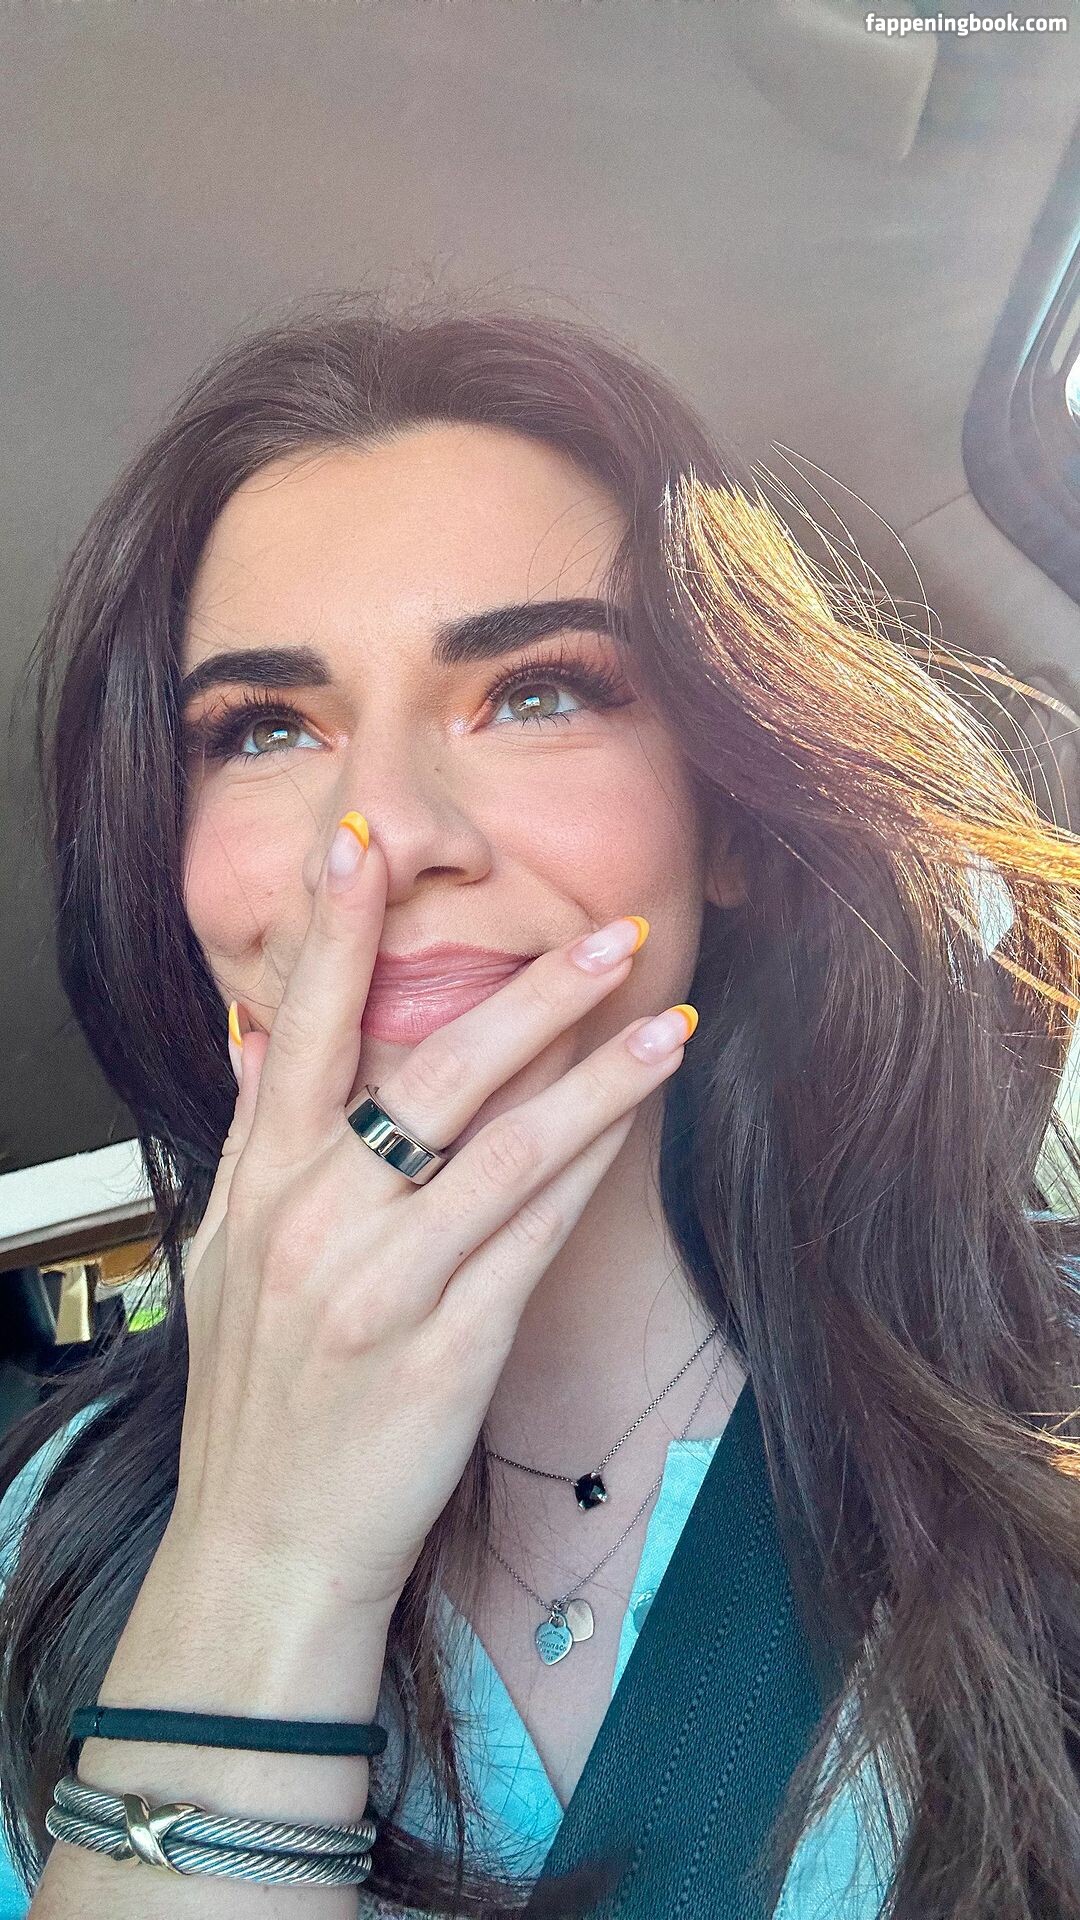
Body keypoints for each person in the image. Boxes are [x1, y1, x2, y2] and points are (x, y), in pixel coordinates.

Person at [1, 292, 1079, 1920]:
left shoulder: (1041, 1406)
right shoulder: (43, 1534)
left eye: (539, 692)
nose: (384, 836)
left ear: (728, 819)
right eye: (266, 728)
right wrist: (258, 1551)